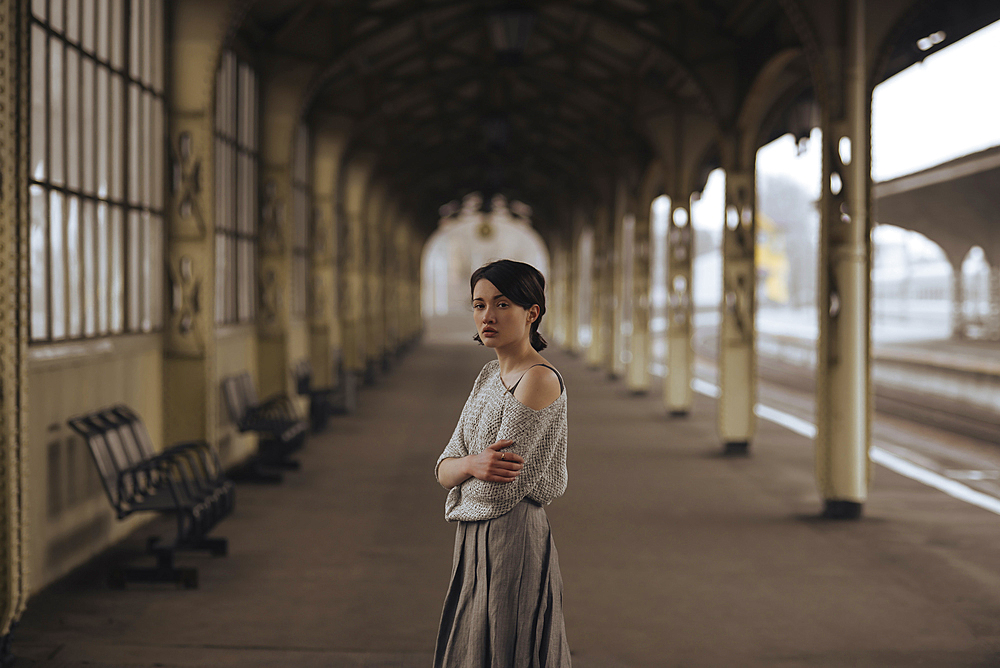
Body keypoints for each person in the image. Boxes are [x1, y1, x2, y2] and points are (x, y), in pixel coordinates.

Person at [433, 259, 571, 667]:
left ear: (532, 313)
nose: (487, 317)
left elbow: (498, 490)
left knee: (509, 644)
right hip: (473, 536)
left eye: (502, 303)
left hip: (512, 533)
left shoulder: (539, 379)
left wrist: (464, 470)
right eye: (478, 305)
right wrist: (471, 465)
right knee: (477, 644)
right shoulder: (488, 377)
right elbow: (443, 466)